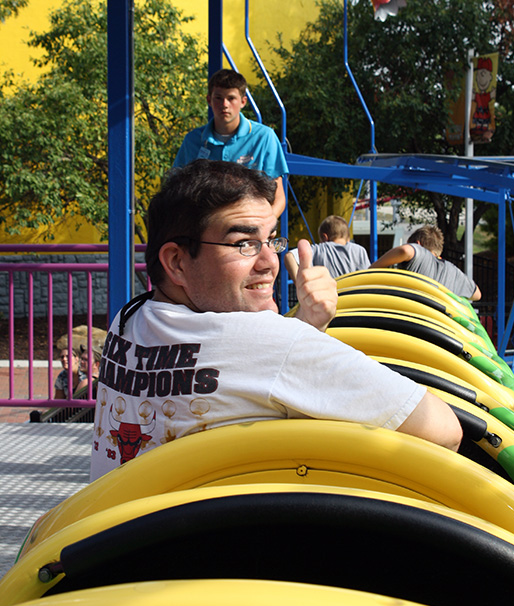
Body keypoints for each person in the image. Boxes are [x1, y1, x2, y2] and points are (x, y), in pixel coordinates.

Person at [90, 160, 462, 481]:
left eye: (271, 239)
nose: (269, 263)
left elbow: (232, 371)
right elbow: (443, 431)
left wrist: (304, 324)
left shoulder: (129, 320)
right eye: (244, 244)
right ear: (177, 262)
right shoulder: (274, 343)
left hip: (105, 545)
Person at [173, 68, 288, 217]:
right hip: (205, 228)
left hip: (250, 226)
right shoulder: (192, 140)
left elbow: (279, 197)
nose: (224, 104)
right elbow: (176, 190)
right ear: (209, 100)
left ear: (243, 101)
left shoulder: (264, 137)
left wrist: (262, 226)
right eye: (218, 98)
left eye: (231, 98)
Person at [369, 225, 482, 301]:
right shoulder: (454, 271)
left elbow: (405, 251)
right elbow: (477, 294)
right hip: (440, 330)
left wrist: (371, 269)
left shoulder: (422, 255)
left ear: (418, 244)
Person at [284, 215, 371, 281]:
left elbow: (289, 256)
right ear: (348, 238)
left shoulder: (319, 249)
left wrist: (300, 284)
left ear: (324, 237)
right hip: (355, 300)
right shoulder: (359, 250)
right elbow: (367, 276)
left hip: (327, 299)